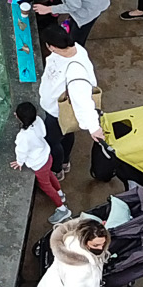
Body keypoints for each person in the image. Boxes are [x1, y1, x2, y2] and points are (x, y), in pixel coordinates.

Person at [33, 17, 101, 177]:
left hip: (57, 112)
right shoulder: (76, 49)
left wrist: (94, 127)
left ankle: (57, 169)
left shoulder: (75, 72)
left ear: (52, 46)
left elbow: (82, 100)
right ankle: (65, 161)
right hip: (61, 110)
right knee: (67, 133)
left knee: (52, 141)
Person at [11, 101, 69, 224]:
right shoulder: (38, 120)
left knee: (46, 186)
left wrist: (19, 162)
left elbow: (21, 151)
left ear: (18, 117)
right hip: (47, 156)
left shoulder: (23, 137)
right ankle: (60, 193)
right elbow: (44, 133)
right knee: (50, 175)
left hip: (39, 165)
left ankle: (62, 209)